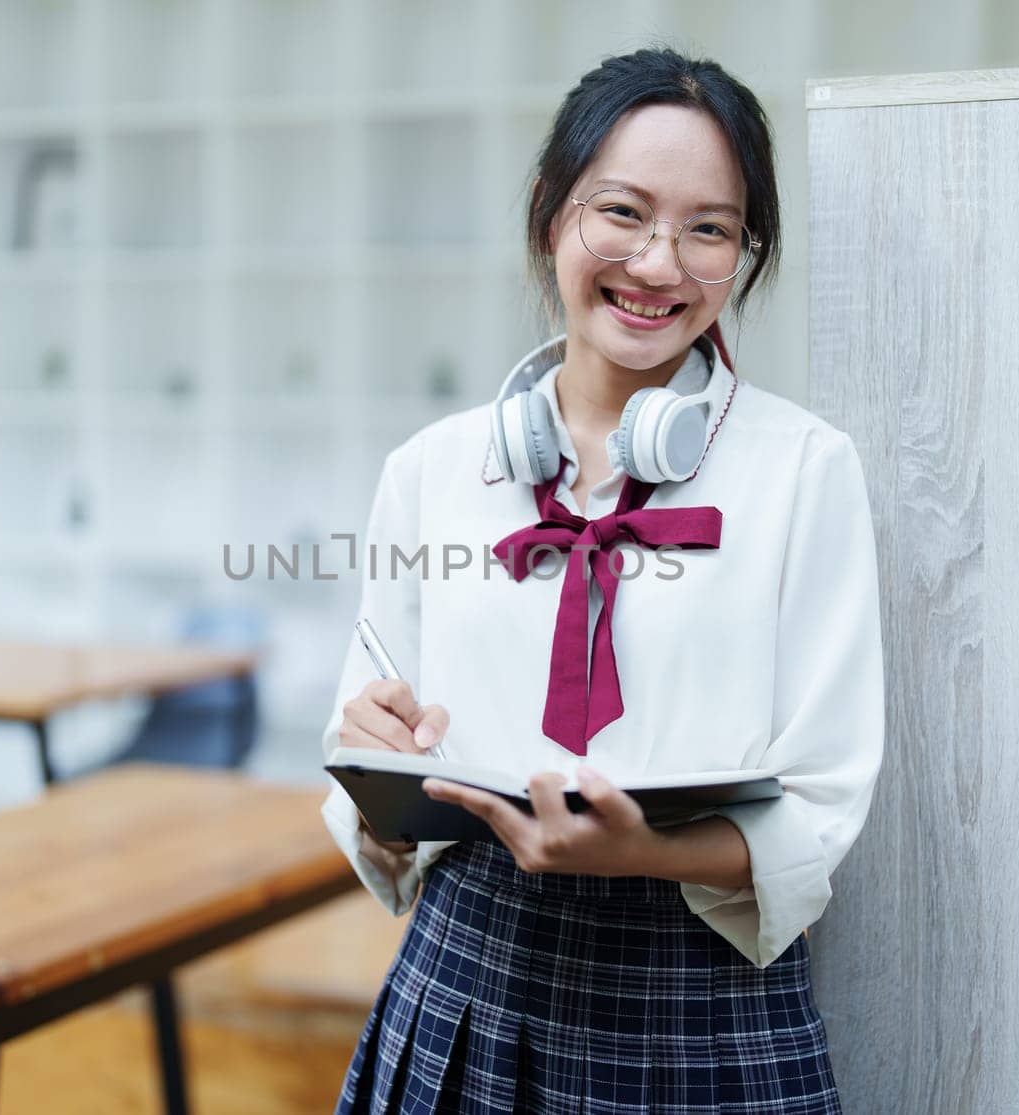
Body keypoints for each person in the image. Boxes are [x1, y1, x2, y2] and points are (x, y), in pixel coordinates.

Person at [320, 45, 883, 1114]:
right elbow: (370, 798)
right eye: (620, 211)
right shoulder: (431, 471)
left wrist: (645, 851)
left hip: (697, 997)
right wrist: (379, 776)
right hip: (465, 977)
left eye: (708, 228)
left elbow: (822, 804)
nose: (659, 263)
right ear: (550, 212)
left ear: (744, 254)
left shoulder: (806, 472)